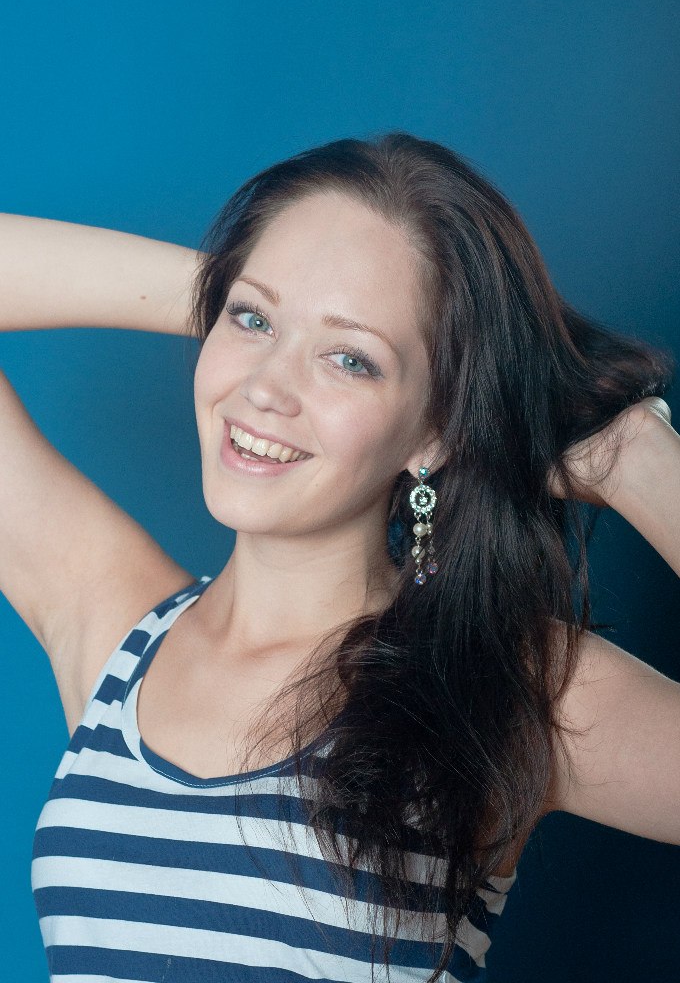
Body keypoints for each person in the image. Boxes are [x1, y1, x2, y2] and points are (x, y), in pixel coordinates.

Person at [1, 130, 679, 983]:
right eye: (250, 322)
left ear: (436, 430)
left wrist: (640, 463)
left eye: (350, 359)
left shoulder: (501, 680)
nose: (265, 389)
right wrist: (233, 289)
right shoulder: (116, 631)